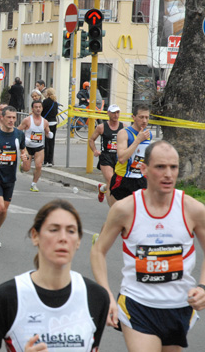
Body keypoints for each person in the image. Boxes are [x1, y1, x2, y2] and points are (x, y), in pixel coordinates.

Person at [90, 141, 205, 352]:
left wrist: (203, 286)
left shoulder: (193, 209)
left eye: (173, 167)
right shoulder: (125, 209)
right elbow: (98, 251)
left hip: (178, 305)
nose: (168, 174)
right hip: (137, 304)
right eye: (160, 167)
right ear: (144, 169)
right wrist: (107, 295)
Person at [0, 199, 110, 351]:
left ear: (78, 241)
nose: (63, 238)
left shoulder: (97, 297)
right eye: (53, 230)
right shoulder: (7, 297)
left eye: (71, 231)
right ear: (35, 236)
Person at [0, 106, 30, 248]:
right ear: (2, 117)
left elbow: (23, 150)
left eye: (14, 118)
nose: (12, 120)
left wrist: (24, 155)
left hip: (10, 177)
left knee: (4, 210)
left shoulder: (19, 134)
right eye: (9, 117)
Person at [109, 104, 152, 202]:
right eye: (141, 117)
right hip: (123, 179)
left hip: (140, 178)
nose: (144, 121)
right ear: (134, 117)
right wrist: (138, 140)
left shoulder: (148, 135)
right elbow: (122, 159)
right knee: (123, 214)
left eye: (147, 117)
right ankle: (103, 189)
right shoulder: (124, 133)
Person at [89, 104, 124, 205]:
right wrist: (95, 150)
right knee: (111, 181)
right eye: (113, 112)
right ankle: (113, 208)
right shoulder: (101, 127)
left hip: (119, 157)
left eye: (117, 112)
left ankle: (102, 188)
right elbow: (91, 139)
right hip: (106, 157)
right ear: (108, 113)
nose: (116, 115)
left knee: (117, 182)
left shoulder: (123, 127)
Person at [18, 100, 52, 192]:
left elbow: (47, 132)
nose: (38, 109)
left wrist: (49, 134)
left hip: (39, 147)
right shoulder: (27, 120)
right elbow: (18, 131)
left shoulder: (45, 122)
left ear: (42, 108)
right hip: (27, 147)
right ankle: (22, 165)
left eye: (39, 107)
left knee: (39, 166)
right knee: (26, 169)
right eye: (36, 107)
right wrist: (24, 140)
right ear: (32, 109)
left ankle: (34, 184)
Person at [41, 88, 59, 167]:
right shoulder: (55, 102)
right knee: (52, 142)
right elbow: (56, 112)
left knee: (46, 142)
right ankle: (51, 160)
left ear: (47, 93)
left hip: (46, 123)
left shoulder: (45, 101)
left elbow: (42, 111)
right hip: (54, 123)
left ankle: (45, 160)